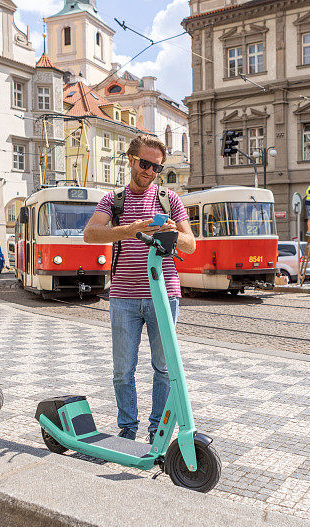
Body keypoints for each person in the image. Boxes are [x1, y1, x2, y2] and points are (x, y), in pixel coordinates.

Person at [83, 135, 196, 443]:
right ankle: (127, 428)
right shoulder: (113, 200)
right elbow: (91, 234)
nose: (150, 172)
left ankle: (158, 430)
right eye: (145, 164)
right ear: (130, 160)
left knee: (164, 368)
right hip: (124, 297)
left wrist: (173, 231)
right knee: (123, 370)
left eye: (156, 167)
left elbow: (191, 245)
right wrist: (129, 230)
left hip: (164, 294)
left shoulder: (170, 200)